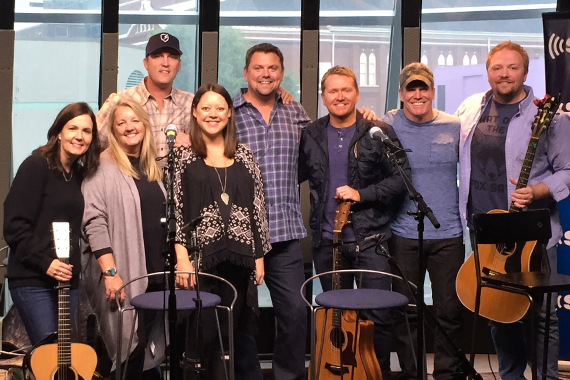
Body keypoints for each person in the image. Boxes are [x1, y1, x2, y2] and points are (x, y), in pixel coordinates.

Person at [456, 41, 570, 380]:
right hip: (487, 227)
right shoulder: (471, 108)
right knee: (497, 310)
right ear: (488, 72)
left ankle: (545, 377)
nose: (504, 74)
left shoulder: (549, 117)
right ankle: (510, 376)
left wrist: (536, 190)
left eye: (512, 67)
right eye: (497, 68)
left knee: (544, 314)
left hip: (533, 231)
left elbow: (567, 169)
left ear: (525, 71)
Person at [299, 65, 408, 378]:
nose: (340, 96)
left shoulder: (378, 132)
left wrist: (362, 194)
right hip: (326, 244)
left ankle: (377, 373)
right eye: (332, 91)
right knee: (338, 317)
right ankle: (344, 374)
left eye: (346, 90)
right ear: (323, 97)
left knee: (379, 316)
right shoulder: (311, 133)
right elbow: (292, 174)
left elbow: (402, 179)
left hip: (370, 240)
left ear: (357, 93)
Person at [172, 83, 271, 380]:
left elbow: (258, 207)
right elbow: (177, 210)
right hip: (201, 262)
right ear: (194, 112)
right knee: (202, 338)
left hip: (240, 261)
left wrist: (259, 255)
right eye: (206, 108)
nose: (212, 114)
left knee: (235, 336)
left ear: (229, 114)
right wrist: (182, 258)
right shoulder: (183, 156)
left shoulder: (244, 155)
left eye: (219, 109)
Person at [382, 62, 464, 380]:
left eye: (423, 88)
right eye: (411, 88)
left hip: (449, 233)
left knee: (449, 311)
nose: (418, 94)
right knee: (407, 310)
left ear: (432, 91)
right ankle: (412, 373)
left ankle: (446, 372)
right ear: (401, 93)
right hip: (403, 233)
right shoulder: (387, 123)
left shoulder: (455, 125)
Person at [81, 100, 167, 379]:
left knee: (144, 354)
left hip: (155, 275)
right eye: (121, 123)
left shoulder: (152, 167)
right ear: (114, 131)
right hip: (123, 277)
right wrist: (110, 273)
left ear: (144, 124)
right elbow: (94, 222)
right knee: (128, 352)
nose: (130, 127)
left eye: (135, 120)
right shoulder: (102, 167)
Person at [4, 102, 100, 345]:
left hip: (67, 281)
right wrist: (46, 263)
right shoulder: (36, 166)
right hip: (33, 279)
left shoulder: (78, 174)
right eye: (72, 128)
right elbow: (14, 226)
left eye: (87, 131)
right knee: (49, 352)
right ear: (59, 132)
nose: (79, 136)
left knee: (62, 358)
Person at [97, 32, 194, 153]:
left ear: (179, 65)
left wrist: (194, 143)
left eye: (172, 57)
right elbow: (91, 148)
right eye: (157, 56)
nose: (165, 63)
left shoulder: (191, 104)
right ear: (145, 63)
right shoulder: (120, 101)